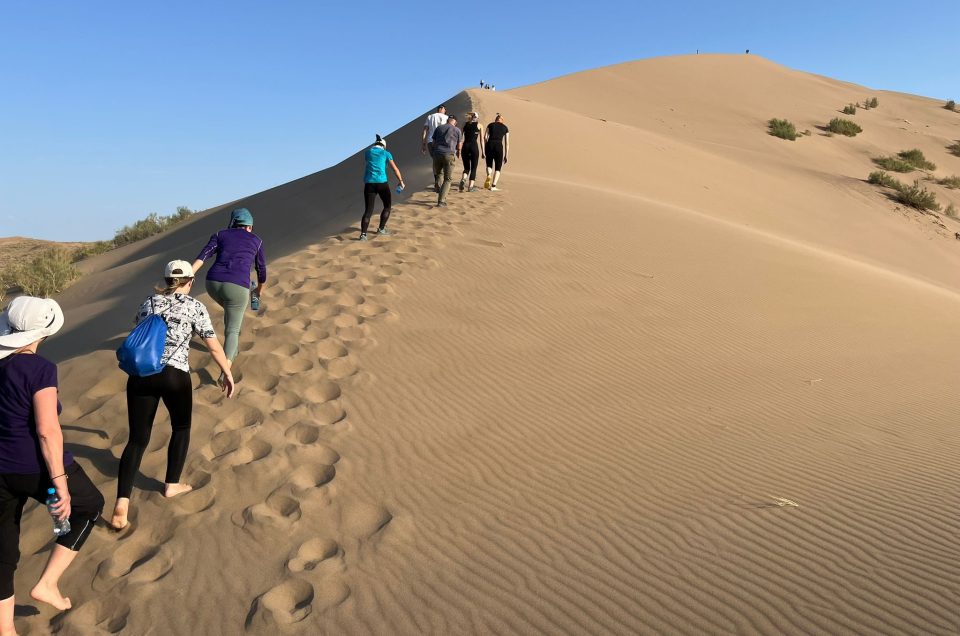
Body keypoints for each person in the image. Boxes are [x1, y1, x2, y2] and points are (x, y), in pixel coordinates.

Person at [0, 297, 104, 626]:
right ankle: (47, 583)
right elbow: (47, 431)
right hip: (33, 466)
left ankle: (4, 628)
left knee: (2, 550)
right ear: (43, 333)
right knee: (90, 505)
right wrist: (60, 484)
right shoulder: (39, 369)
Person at [110, 261, 235, 530]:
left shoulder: (148, 302)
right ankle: (171, 484)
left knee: (137, 440)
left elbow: (137, 330)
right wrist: (227, 372)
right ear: (190, 282)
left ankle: (121, 503)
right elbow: (213, 347)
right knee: (181, 427)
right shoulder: (195, 307)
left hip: (141, 376)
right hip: (174, 375)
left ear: (166, 280)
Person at [191, 208, 267, 363]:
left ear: (233, 223)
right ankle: (226, 369)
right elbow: (262, 271)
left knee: (231, 312)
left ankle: (233, 350)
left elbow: (204, 255)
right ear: (249, 226)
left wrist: (188, 274)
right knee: (233, 329)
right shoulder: (257, 241)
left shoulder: (220, 234)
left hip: (212, 283)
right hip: (238, 287)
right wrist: (258, 291)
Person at [359, 134, 404, 241]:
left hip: (369, 184)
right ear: (384, 146)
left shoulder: (368, 153)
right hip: (382, 184)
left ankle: (363, 234)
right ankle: (381, 229)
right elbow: (395, 169)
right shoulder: (386, 153)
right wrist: (401, 181)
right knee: (387, 206)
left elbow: (370, 157)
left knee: (368, 211)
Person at [431, 114, 463, 207]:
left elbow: (433, 143)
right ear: (455, 122)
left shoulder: (439, 128)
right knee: (448, 179)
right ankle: (441, 201)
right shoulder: (457, 130)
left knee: (439, 174)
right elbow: (459, 145)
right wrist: (458, 152)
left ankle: (438, 184)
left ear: (448, 120)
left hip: (437, 154)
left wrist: (435, 152)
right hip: (449, 154)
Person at [420, 105, 448, 190]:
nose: (445, 111)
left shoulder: (430, 116)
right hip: (442, 142)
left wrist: (423, 143)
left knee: (435, 161)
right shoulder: (446, 117)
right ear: (441, 109)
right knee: (443, 161)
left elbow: (425, 130)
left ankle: (437, 180)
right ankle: (439, 182)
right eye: (445, 109)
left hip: (430, 141)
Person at [484, 113, 510, 191]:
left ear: (496, 119)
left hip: (490, 144)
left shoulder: (490, 125)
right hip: (499, 146)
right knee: (498, 167)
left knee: (489, 164)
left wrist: (486, 145)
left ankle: (489, 175)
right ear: (502, 120)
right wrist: (506, 155)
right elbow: (507, 143)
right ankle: (493, 186)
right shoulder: (505, 128)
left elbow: (485, 137)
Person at [459, 113, 484, 192]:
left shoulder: (464, 124)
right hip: (474, 147)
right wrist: (483, 151)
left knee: (466, 167)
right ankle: (470, 187)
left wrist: (458, 149)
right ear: (477, 117)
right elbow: (481, 140)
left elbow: (460, 137)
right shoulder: (480, 125)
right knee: (474, 168)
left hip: (465, 147)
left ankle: (463, 179)